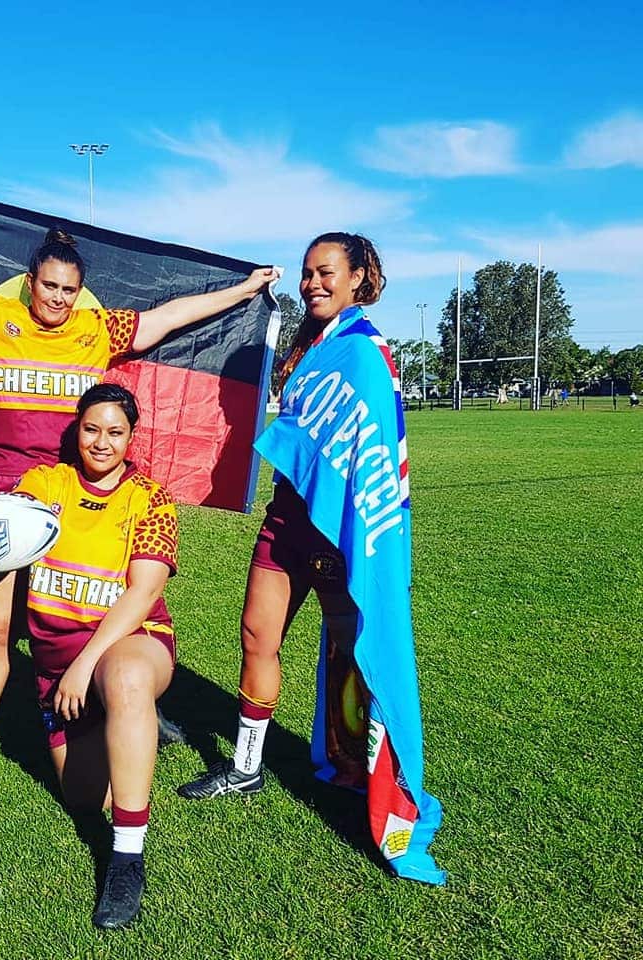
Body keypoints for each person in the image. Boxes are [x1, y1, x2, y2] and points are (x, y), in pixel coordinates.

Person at [0, 164, 277, 816]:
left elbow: (169, 319)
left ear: (80, 292)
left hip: (79, 500)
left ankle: (130, 707)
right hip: (9, 506)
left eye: (71, 289)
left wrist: (242, 291)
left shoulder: (97, 332)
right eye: (50, 285)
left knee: (94, 614)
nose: (60, 298)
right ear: (30, 282)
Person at [177, 232, 444, 884]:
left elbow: (375, 451)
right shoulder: (305, 346)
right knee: (255, 637)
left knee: (351, 652)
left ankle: (362, 774)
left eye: (326, 273)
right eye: (306, 274)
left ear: (357, 278)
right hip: (284, 521)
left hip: (335, 531)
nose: (313, 283)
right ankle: (245, 767)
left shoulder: (367, 354)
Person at [12, 383, 178, 929]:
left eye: (115, 432)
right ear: (75, 429)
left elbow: (142, 592)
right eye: (91, 429)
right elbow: (0, 536)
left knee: (126, 679)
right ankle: (125, 720)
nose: (102, 442)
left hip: (130, 643)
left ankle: (127, 859)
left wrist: (88, 665)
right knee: (85, 799)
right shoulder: (44, 484)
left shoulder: (150, 497)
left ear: (132, 437)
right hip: (57, 664)